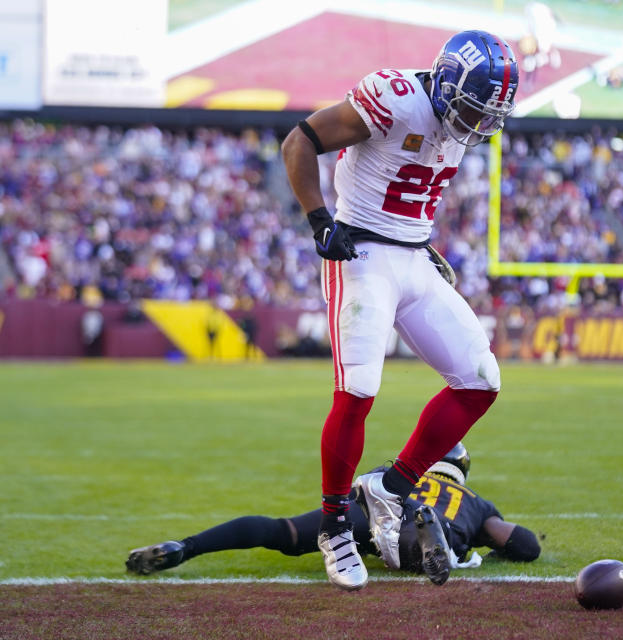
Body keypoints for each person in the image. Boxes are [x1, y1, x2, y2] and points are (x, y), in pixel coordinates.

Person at [280, 30, 519, 591]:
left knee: (481, 379)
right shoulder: (394, 97)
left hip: (413, 257)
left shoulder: (457, 123)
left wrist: (421, 244)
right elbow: (298, 142)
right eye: (471, 107)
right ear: (446, 84)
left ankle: (391, 485)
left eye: (488, 114)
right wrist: (321, 221)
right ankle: (335, 524)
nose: (477, 124)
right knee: (358, 389)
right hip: (360, 252)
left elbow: (410, 195)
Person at [125, 444, 540, 584]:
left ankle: (186, 546)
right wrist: (495, 542)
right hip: (436, 524)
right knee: (424, 550)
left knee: (282, 532)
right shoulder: (474, 501)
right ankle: (431, 538)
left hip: (369, 509)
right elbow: (523, 544)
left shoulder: (401, 469)